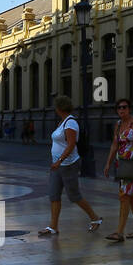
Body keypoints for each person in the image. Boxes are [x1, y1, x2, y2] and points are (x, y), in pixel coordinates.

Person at [38, 96, 102, 236]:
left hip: (68, 164)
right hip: (57, 166)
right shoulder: (62, 122)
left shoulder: (70, 123)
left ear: (59, 108)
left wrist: (59, 160)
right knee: (54, 195)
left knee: (74, 196)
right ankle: (53, 227)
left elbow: (71, 144)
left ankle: (95, 218)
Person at [101, 98, 133, 241]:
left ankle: (119, 232)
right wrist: (108, 163)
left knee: (124, 196)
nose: (122, 110)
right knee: (132, 197)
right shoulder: (118, 125)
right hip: (122, 165)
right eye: (119, 108)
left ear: (129, 109)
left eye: (124, 107)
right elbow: (114, 145)